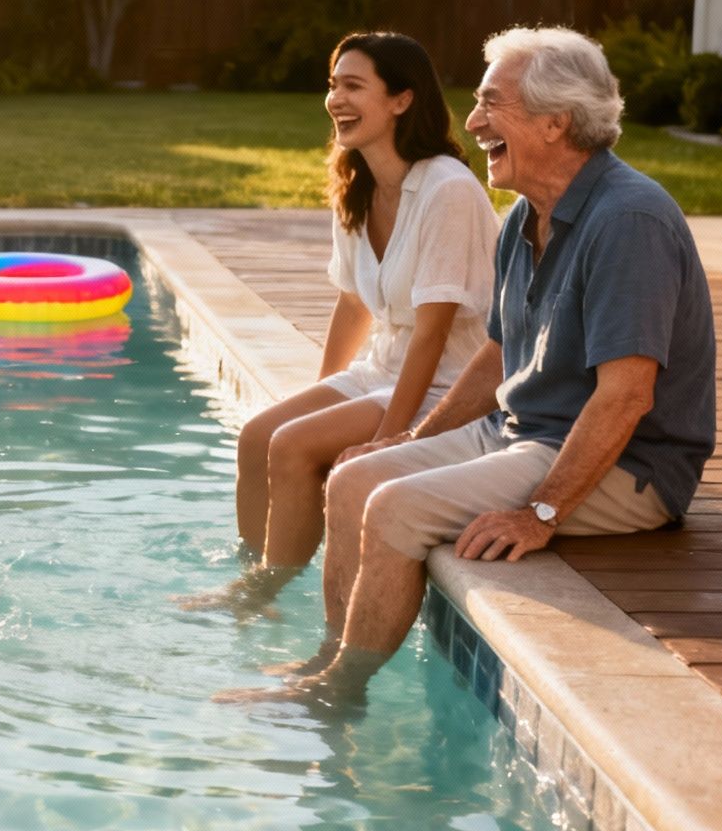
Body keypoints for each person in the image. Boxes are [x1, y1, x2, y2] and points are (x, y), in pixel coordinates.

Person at [228, 26, 716, 709]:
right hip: (530, 432)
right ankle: (326, 659)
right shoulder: (527, 214)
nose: (475, 121)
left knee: (394, 509)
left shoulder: (628, 221)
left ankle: (338, 692)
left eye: (492, 104)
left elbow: (627, 397)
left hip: (628, 466)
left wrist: (541, 513)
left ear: (555, 123)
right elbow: (497, 351)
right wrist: (420, 434)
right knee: (353, 477)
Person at [180, 33, 498, 619]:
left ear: (401, 100)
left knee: (294, 447)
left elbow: (433, 333)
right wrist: (319, 397)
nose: (335, 99)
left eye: (353, 86)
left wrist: (393, 441)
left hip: (445, 383)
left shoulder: (448, 190)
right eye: (333, 86)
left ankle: (263, 592)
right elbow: (353, 304)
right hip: (379, 369)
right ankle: (257, 579)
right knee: (260, 436)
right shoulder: (358, 181)